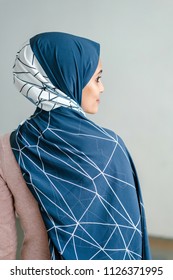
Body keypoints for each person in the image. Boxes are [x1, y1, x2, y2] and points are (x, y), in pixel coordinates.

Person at [0, 32, 151, 260]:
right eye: (97, 78)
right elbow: (129, 237)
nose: (102, 88)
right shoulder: (110, 148)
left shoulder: (7, 146)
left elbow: (4, 244)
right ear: (69, 77)